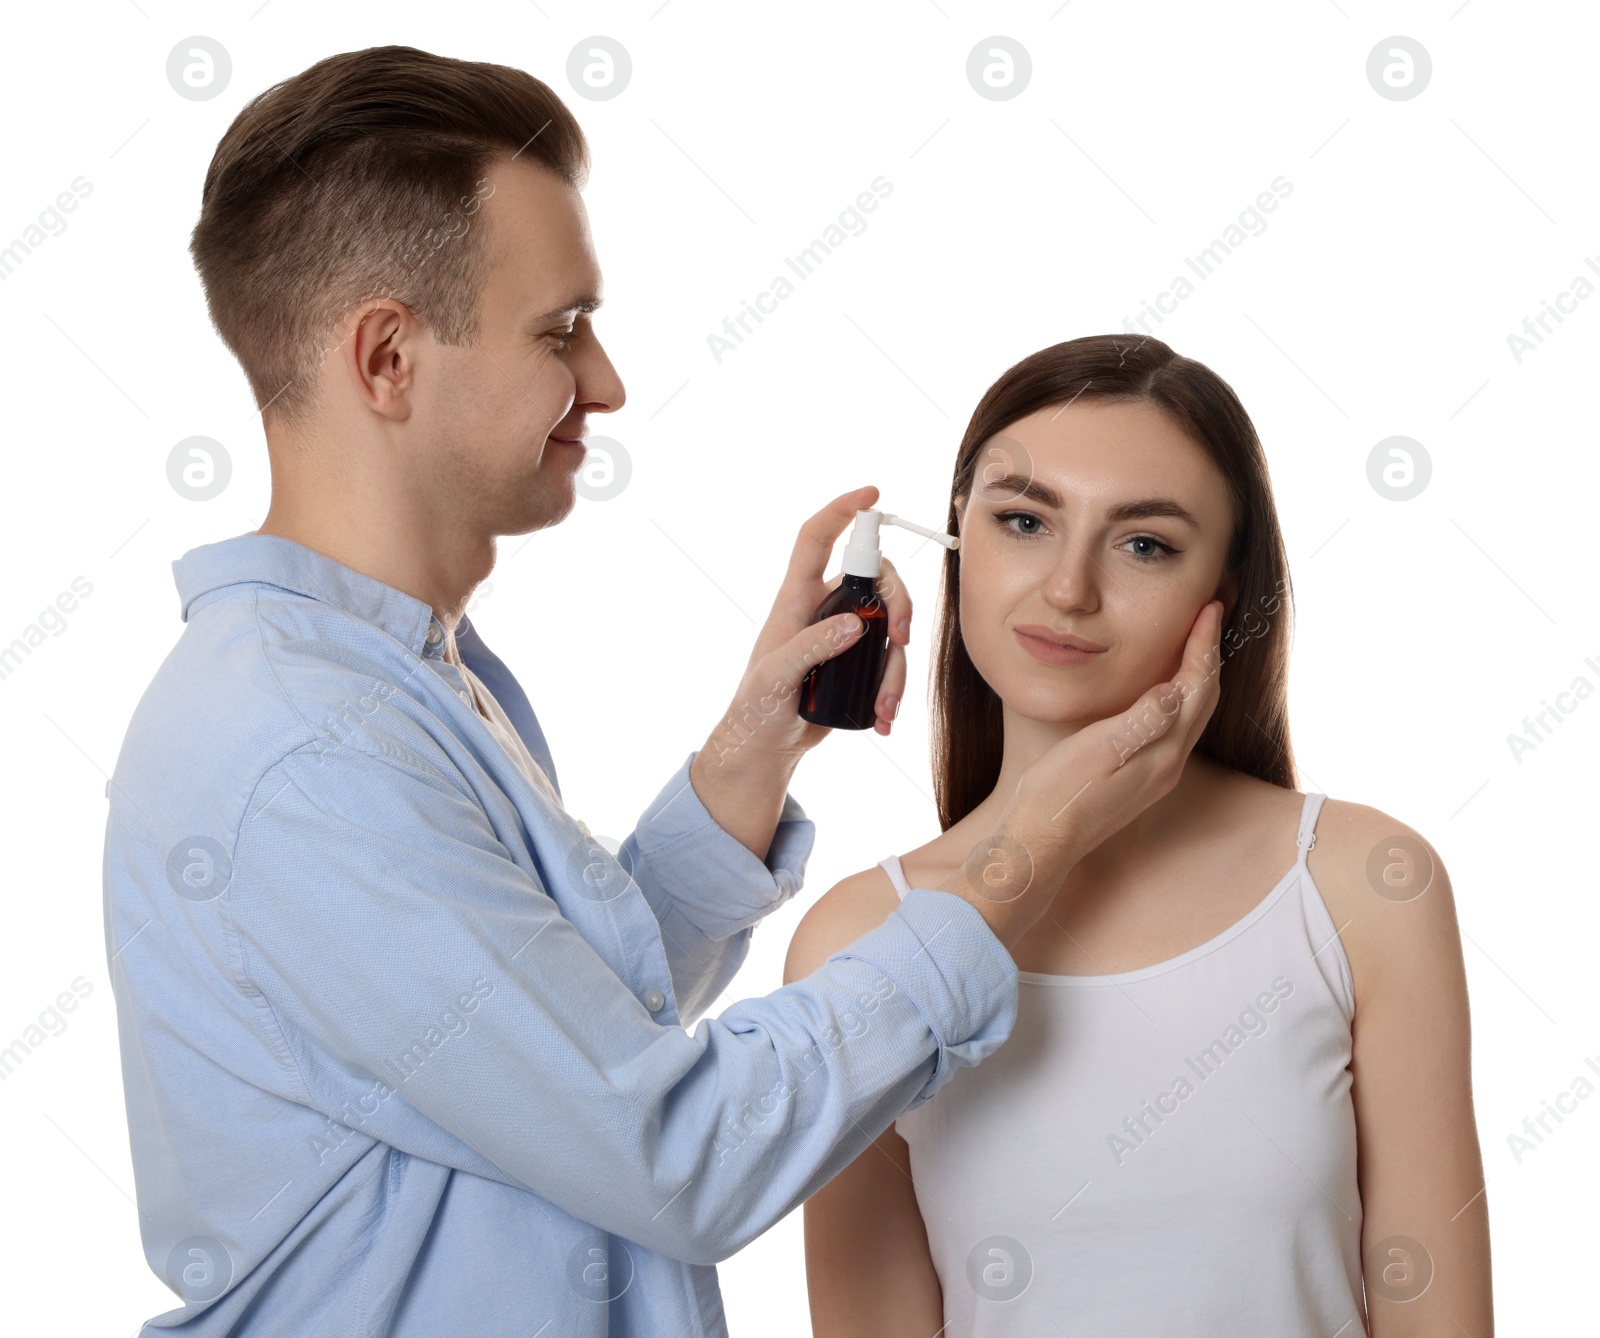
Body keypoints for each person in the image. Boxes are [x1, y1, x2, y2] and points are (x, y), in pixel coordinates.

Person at [103, 49, 1220, 1338]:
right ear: (388, 359)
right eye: (560, 329)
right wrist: (1033, 845)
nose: (607, 383)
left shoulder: (401, 683)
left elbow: (547, 1041)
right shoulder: (299, 747)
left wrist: (750, 755)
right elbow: (675, 1150)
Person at [788, 335, 1494, 1337]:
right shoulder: (856, 942)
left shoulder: (1361, 887)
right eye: (1024, 521)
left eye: (1144, 543)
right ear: (956, 539)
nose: (1068, 589)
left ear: (1228, 592)